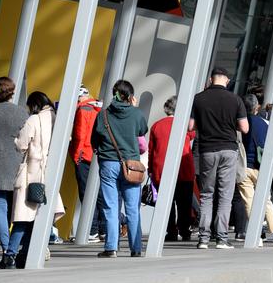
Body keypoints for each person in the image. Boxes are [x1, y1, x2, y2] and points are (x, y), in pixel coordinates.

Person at [0, 91, 65, 269]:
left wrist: (16, 140)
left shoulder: (34, 120)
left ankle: (10, 255)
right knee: (38, 216)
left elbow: (22, 144)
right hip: (50, 173)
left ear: (34, 104)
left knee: (23, 217)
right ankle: (26, 253)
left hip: (32, 173)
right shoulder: (56, 118)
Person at [190, 67, 249, 249]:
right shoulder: (235, 99)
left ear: (210, 79)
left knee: (207, 194)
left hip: (207, 150)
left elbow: (191, 126)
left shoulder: (199, 99)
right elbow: (245, 128)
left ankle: (203, 239)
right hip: (229, 151)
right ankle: (222, 238)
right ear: (227, 80)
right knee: (225, 195)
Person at [91, 80, 148, 258]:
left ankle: (111, 248)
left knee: (111, 205)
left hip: (108, 164)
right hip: (131, 166)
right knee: (133, 208)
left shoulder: (103, 115)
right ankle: (136, 248)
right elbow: (142, 131)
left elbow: (94, 140)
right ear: (130, 96)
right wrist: (134, 107)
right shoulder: (136, 113)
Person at [0, 77, 29, 259]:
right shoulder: (21, 113)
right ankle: (15, 245)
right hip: (16, 164)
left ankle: (6, 247)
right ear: (13, 91)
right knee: (16, 206)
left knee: (0, 205)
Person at [237, 94, 273, 247]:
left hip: (243, 167)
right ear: (257, 107)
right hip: (260, 168)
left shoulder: (238, 123)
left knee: (249, 202)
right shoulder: (265, 124)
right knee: (267, 202)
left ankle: (256, 235)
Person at [148, 96, 195, 242]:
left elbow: (151, 150)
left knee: (166, 203)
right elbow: (194, 133)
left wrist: (151, 169)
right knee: (184, 202)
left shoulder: (156, 125)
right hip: (183, 168)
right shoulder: (184, 125)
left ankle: (171, 231)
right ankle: (185, 230)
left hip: (161, 170)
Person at [69, 84, 104, 242]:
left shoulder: (82, 109)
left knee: (86, 193)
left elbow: (79, 135)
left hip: (84, 154)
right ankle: (103, 228)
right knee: (99, 193)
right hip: (97, 155)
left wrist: (76, 157)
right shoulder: (98, 107)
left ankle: (92, 230)